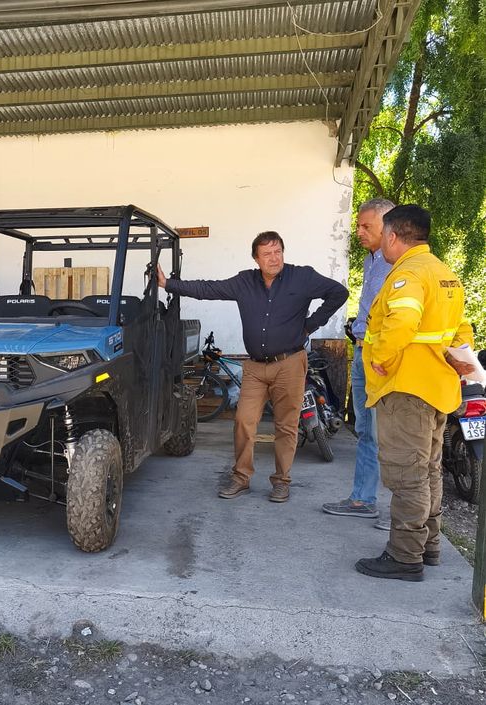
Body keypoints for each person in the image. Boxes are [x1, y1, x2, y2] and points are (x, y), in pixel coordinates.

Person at [157, 231, 348, 502]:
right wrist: (168, 284)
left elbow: (338, 293)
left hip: (290, 363)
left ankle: (282, 481)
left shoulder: (302, 277)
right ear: (256, 258)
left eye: (278, 251)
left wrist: (311, 324)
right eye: (267, 253)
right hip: (256, 367)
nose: (274, 258)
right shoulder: (244, 282)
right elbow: (208, 289)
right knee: (244, 422)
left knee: (287, 425)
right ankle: (241, 477)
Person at [355, 204, 474, 581]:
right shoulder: (444, 274)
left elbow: (402, 321)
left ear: (392, 235)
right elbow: (462, 330)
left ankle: (405, 556)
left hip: (407, 388)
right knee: (427, 472)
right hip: (436, 389)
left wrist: (381, 357)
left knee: (407, 476)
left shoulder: (408, 274)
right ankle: (430, 546)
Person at [322, 199, 394, 528]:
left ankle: (402, 514)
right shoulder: (372, 261)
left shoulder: (400, 264)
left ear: (390, 227)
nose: (359, 232)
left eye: (368, 226)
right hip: (363, 352)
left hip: (384, 357)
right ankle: (363, 499)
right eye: (359, 225)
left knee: (389, 434)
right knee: (366, 430)